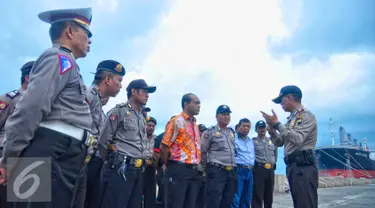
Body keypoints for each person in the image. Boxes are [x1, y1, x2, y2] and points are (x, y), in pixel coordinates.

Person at [0, 7, 93, 208]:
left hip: (63, 153)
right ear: (69, 31)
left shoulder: (69, 64)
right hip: (50, 149)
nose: (89, 40)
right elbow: (30, 108)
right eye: (86, 33)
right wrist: (10, 158)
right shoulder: (57, 58)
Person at [98, 79, 156, 208]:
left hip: (138, 169)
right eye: (144, 91)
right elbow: (103, 141)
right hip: (120, 167)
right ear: (133, 92)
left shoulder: (142, 117)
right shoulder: (119, 111)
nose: (147, 95)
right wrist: (112, 162)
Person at [261, 85, 318, 208]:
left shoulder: (306, 115)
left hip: (303, 166)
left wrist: (277, 124)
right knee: (299, 203)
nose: (280, 104)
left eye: (281, 100)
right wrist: (272, 131)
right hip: (294, 166)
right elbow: (281, 141)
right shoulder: (292, 119)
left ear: (289, 97)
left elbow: (298, 139)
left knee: (306, 204)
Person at [83, 60, 125, 208]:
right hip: (79, 159)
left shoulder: (99, 103)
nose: (120, 85)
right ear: (107, 79)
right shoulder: (88, 95)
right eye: (119, 80)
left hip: (91, 161)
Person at [0, 60, 34, 207]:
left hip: (29, 161)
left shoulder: (41, 104)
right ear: (28, 77)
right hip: (5, 157)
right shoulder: (10, 99)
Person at [160, 93, 201, 208]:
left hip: (193, 171)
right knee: (175, 204)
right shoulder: (176, 121)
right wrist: (169, 166)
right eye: (196, 102)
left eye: (199, 103)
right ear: (186, 104)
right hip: (178, 169)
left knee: (190, 204)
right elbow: (164, 146)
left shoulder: (195, 125)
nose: (199, 105)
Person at [201, 105, 237, 208]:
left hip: (231, 171)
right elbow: (203, 151)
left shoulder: (231, 133)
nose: (226, 117)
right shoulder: (210, 132)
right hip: (217, 170)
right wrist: (206, 169)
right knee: (213, 201)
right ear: (217, 116)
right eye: (223, 114)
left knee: (228, 201)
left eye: (228, 114)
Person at [252, 120, 277, 208]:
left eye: (263, 127)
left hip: (270, 170)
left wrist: (273, 164)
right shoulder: (253, 142)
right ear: (256, 130)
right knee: (257, 195)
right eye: (260, 128)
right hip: (259, 170)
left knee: (269, 196)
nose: (262, 129)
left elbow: (275, 154)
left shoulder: (272, 141)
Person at [232, 118, 255, 208]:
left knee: (247, 198)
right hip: (239, 170)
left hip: (249, 171)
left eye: (248, 126)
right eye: (244, 126)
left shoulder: (250, 141)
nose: (246, 128)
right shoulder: (233, 138)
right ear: (239, 127)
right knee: (236, 197)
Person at [143, 116, 158, 208]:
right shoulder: (139, 137)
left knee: (151, 194)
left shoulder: (157, 139)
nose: (151, 127)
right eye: (149, 125)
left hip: (152, 168)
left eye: (153, 126)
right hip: (140, 166)